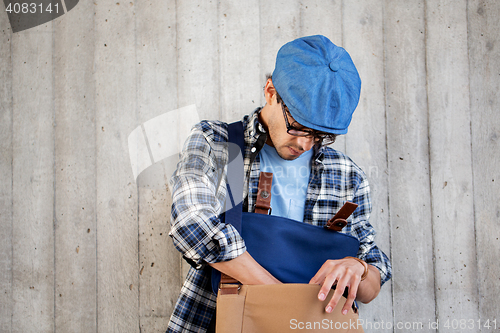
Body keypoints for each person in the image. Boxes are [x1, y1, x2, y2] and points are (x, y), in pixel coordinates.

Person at [166, 35, 391, 333]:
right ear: (271, 91)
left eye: (319, 135)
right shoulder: (218, 144)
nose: (304, 143)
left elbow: (372, 275)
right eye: (297, 127)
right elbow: (190, 225)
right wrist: (282, 304)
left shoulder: (347, 175)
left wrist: (360, 268)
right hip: (222, 320)